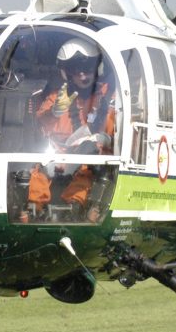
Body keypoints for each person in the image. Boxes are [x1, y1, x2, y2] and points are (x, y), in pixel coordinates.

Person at [27, 37, 115, 219]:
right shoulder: (59, 97)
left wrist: (105, 138)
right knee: (38, 172)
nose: (83, 76)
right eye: (76, 71)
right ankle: (33, 210)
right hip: (60, 159)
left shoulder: (108, 98)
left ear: (96, 69)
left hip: (92, 161)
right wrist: (55, 112)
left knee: (86, 169)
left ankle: (72, 209)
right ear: (67, 73)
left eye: (87, 69)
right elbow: (40, 123)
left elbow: (117, 129)